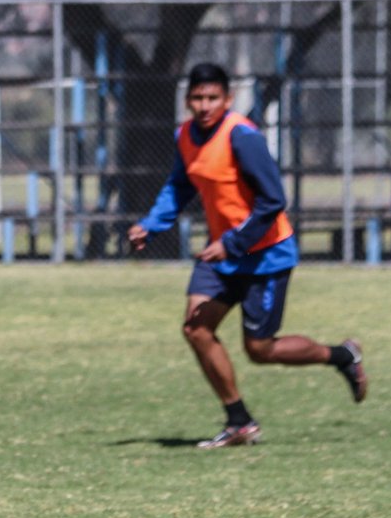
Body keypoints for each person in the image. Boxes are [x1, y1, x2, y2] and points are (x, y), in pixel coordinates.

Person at [128, 62, 368, 448]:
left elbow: (274, 200)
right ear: (187, 100)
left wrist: (232, 243)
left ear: (228, 98)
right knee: (195, 329)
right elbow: (179, 185)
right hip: (222, 256)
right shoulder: (185, 135)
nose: (204, 105)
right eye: (197, 98)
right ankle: (238, 421)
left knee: (260, 349)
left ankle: (342, 356)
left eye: (212, 98)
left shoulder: (242, 137)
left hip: (265, 255)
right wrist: (152, 224)